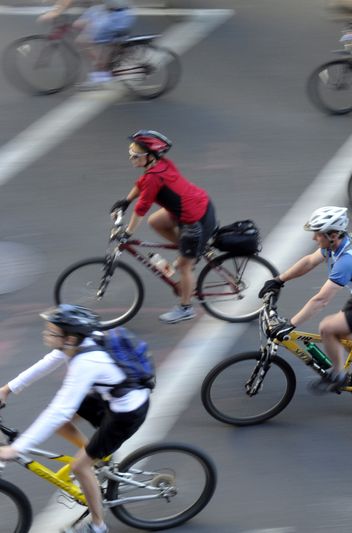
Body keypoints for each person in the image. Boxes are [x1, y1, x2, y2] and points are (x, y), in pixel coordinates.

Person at [0, 305, 150, 533]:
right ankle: (99, 459)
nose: (45, 334)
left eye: (51, 332)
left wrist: (17, 448)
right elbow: (45, 364)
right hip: (112, 397)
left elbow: (59, 409)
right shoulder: (76, 344)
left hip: (126, 413)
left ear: (69, 338)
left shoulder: (86, 363)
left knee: (80, 466)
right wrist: (7, 389)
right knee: (64, 427)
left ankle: (98, 526)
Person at [258, 207, 352, 392]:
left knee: (328, 328)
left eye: (318, 234)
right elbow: (309, 262)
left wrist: (291, 324)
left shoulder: (346, 261)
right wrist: (278, 280)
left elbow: (321, 300)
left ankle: (338, 376)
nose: (314, 238)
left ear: (333, 234)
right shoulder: (336, 244)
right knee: (343, 331)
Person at [111, 130, 217, 324]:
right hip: (192, 208)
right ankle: (192, 250)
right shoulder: (158, 166)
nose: (131, 158)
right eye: (130, 153)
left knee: (184, 267)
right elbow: (140, 184)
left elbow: (141, 209)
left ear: (150, 157)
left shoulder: (155, 177)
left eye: (136, 155)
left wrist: (127, 233)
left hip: (195, 219)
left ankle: (186, 308)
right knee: (156, 221)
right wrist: (125, 201)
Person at [39, 0, 135, 87]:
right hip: (108, 10)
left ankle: (101, 74)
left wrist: (55, 12)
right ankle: (109, 51)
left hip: (117, 16)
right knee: (78, 24)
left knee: (83, 40)